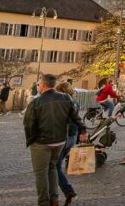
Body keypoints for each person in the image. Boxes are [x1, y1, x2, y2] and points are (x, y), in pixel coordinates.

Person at [23, 74, 87, 206]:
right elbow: (75, 117)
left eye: (39, 84)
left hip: (42, 143)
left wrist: (31, 140)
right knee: (52, 168)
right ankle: (55, 200)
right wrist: (83, 130)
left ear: (44, 85)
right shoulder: (65, 98)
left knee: (41, 173)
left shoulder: (36, 102)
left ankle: (44, 202)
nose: (38, 87)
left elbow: (29, 124)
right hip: (60, 141)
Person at [54, 82, 80, 205]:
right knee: (56, 165)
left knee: (54, 166)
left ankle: (66, 190)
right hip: (73, 137)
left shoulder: (62, 102)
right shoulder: (75, 102)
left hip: (64, 137)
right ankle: (63, 191)